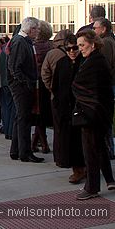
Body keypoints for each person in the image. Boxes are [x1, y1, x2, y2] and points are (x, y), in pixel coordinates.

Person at [72, 29, 115, 200]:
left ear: (93, 44)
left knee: (90, 150)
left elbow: (79, 85)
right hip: (100, 112)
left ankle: (92, 187)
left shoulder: (94, 62)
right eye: (78, 46)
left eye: (82, 45)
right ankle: (110, 179)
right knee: (100, 147)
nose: (79, 49)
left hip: (91, 114)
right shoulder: (95, 60)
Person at [49, 34, 86, 184]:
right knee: (69, 140)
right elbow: (55, 85)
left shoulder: (84, 63)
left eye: (75, 48)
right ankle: (76, 168)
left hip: (81, 108)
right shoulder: (62, 63)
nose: (71, 51)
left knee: (81, 140)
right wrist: (57, 104)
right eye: (68, 48)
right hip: (65, 108)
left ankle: (84, 168)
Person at [8, 17, 44, 163]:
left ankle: (16, 150)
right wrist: (27, 82)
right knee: (24, 118)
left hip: (22, 84)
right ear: (31, 29)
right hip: (21, 86)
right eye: (36, 29)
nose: (37, 32)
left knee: (20, 118)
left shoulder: (23, 41)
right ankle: (25, 152)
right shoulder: (20, 42)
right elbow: (14, 67)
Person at [93, 17, 115, 159]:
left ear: (103, 29)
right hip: (110, 84)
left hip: (107, 85)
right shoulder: (110, 40)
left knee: (105, 120)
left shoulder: (105, 43)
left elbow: (105, 66)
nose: (94, 30)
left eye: (95, 28)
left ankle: (108, 151)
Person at [31, 21, 53, 153]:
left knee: (39, 114)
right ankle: (37, 142)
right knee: (43, 113)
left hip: (37, 82)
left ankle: (42, 143)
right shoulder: (51, 46)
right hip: (47, 82)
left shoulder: (33, 47)